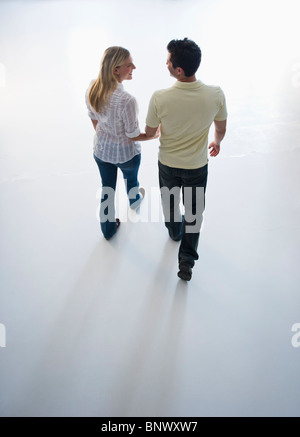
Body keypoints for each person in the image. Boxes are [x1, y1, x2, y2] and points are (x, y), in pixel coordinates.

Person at [145, 38, 227, 281]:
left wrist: (156, 131)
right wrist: (217, 142)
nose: (166, 63)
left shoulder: (160, 97)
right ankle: (187, 260)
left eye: (168, 60)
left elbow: (150, 132)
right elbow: (220, 129)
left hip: (168, 165)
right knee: (194, 213)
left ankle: (173, 232)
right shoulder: (215, 94)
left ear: (178, 70)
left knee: (170, 204)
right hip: (196, 166)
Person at [86, 46, 158, 240]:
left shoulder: (92, 87)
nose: (133, 66)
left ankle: (108, 230)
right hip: (127, 155)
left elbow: (93, 118)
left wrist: (106, 136)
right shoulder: (127, 100)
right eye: (129, 64)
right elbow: (133, 135)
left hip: (101, 152)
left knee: (107, 190)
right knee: (131, 180)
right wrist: (155, 134)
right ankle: (134, 201)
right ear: (115, 69)